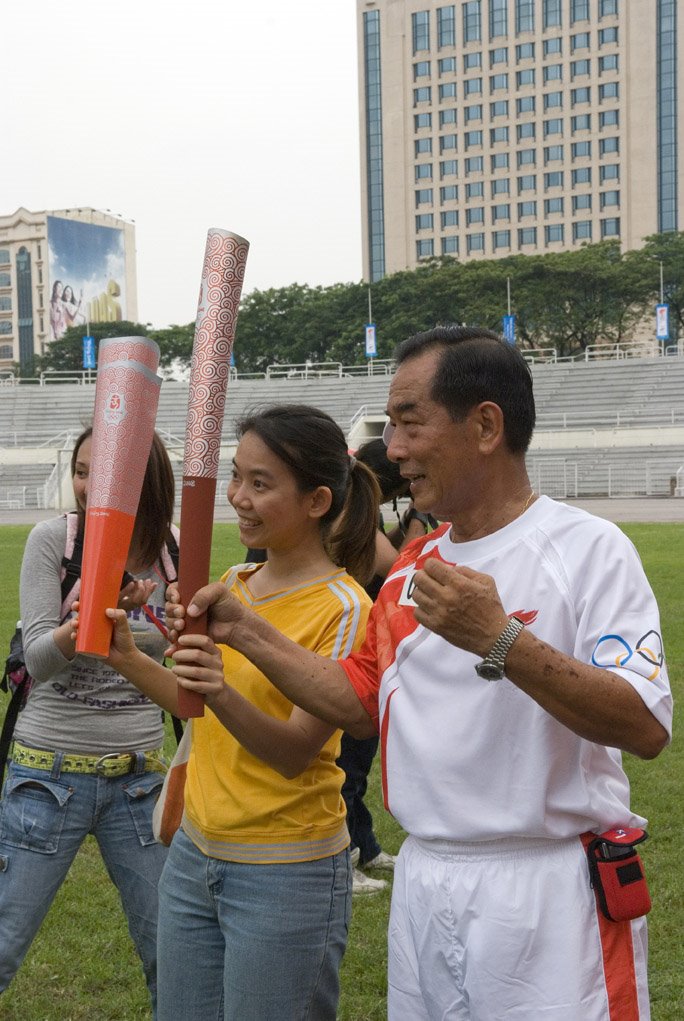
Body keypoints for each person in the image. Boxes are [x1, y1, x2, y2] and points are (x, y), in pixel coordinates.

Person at [168, 326, 672, 1021]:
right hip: (426, 882)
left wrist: (500, 639)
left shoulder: (588, 550)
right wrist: (245, 630)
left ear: (486, 425)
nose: (393, 448)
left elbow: (644, 724)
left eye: (409, 423)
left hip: (549, 893)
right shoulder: (411, 564)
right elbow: (358, 699)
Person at [101, 404, 380, 1021]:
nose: (238, 497)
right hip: (195, 855)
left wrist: (221, 688)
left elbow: (291, 753)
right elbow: (192, 704)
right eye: (236, 476)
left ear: (316, 501)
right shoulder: (234, 581)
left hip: (286, 873)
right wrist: (126, 658)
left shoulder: (346, 607)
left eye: (262, 483)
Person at [0, 426, 177, 1013]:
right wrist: (85, 624)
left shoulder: (173, 553)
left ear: (144, 482)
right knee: (3, 944)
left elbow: (189, 660)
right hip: (46, 776)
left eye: (105, 474)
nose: (87, 487)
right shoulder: (53, 542)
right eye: (81, 471)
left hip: (140, 778)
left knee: (171, 950)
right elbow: (38, 662)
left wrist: (162, 621)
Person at [340, 436, 434, 896]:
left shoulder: (354, 500)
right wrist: (417, 521)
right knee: (346, 762)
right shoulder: (349, 502)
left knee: (356, 759)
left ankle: (365, 845)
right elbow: (400, 569)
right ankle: (344, 860)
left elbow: (376, 551)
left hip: (354, 637)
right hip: (344, 642)